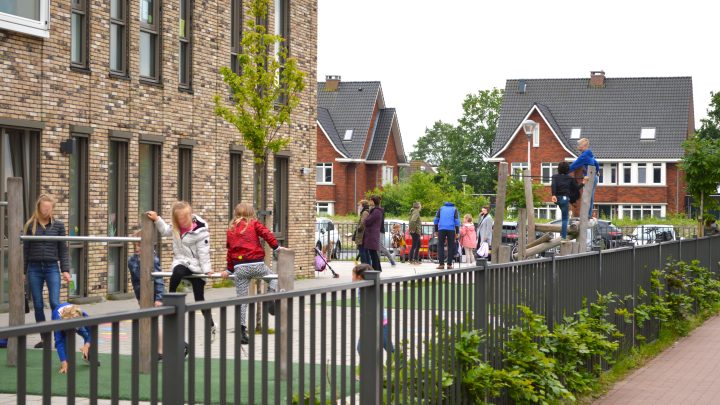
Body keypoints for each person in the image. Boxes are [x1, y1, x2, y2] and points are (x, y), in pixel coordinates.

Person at [146, 202, 216, 342]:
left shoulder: (200, 232)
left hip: (196, 266)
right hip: (182, 261)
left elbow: (203, 252)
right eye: (180, 220)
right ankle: (169, 297)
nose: (184, 222)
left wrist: (207, 270)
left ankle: (211, 324)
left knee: (199, 298)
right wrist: (157, 219)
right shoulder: (176, 227)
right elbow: (165, 230)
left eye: (186, 219)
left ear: (191, 215)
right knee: (177, 272)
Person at [223, 202, 281, 344]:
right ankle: (270, 295)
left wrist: (229, 269)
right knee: (273, 279)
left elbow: (230, 251)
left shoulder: (231, 229)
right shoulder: (254, 224)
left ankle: (241, 332)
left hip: (239, 268)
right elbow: (267, 234)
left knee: (242, 300)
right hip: (256, 264)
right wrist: (276, 247)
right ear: (251, 213)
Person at [23, 194, 71, 349]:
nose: (46, 211)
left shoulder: (58, 226)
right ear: (39, 207)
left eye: (49, 208)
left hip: (52, 267)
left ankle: (59, 338)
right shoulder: (31, 225)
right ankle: (45, 338)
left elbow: (63, 249)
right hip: (34, 268)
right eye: (43, 208)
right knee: (37, 304)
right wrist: (23, 271)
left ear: (53, 209)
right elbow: (26, 249)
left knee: (55, 303)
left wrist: (65, 270)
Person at [353, 264, 393, 354]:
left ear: (359, 277)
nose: (352, 277)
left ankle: (400, 364)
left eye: (353, 275)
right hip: (371, 323)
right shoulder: (363, 287)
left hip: (380, 323)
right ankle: (370, 366)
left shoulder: (369, 287)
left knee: (389, 348)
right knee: (361, 349)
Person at [52, 303, 92, 374]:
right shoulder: (58, 322)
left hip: (75, 322)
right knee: (63, 341)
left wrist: (87, 345)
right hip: (61, 322)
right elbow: (59, 343)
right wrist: (64, 363)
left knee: (86, 335)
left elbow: (92, 331)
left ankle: (88, 356)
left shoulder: (83, 315)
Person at [128, 230, 164, 307]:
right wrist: (138, 298)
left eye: (139, 245)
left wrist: (159, 299)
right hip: (141, 294)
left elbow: (159, 280)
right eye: (135, 245)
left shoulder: (153, 259)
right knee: (144, 316)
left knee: (151, 316)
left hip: (153, 294)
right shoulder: (131, 260)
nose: (136, 248)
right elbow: (134, 281)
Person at [551, 162, 584, 239]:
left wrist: (553, 195)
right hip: (565, 199)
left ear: (558, 169)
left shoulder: (554, 176)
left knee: (564, 212)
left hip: (557, 199)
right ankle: (563, 237)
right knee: (565, 219)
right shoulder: (570, 178)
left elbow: (553, 186)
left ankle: (570, 208)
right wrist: (583, 183)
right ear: (567, 170)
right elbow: (576, 188)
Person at [569, 138, 600, 219]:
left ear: (584, 145)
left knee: (587, 196)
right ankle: (588, 215)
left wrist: (563, 171)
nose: (577, 146)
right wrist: (597, 171)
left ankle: (587, 215)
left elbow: (574, 165)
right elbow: (597, 163)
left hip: (589, 178)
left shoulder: (584, 156)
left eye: (579, 145)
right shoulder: (590, 154)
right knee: (591, 196)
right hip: (594, 177)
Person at [433, 202, 460, 270]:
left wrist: (436, 230)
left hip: (441, 229)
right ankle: (449, 264)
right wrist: (457, 232)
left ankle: (441, 264)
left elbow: (436, 219)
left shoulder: (441, 208)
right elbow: (457, 221)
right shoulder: (454, 209)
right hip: (451, 229)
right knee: (451, 246)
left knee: (440, 246)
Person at [362, 195, 384, 271]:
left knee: (373, 254)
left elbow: (368, 221)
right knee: (373, 253)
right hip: (372, 234)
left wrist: (365, 220)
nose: (369, 202)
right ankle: (377, 269)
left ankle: (376, 269)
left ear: (373, 201)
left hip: (372, 235)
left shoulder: (376, 211)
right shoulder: (376, 210)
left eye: (370, 200)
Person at [354, 200, 370, 265]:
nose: (359, 207)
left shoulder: (365, 212)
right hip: (364, 234)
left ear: (362, 205)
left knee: (362, 251)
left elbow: (363, 223)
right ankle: (368, 266)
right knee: (365, 251)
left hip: (362, 235)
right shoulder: (365, 212)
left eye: (359, 205)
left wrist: (358, 228)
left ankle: (364, 266)